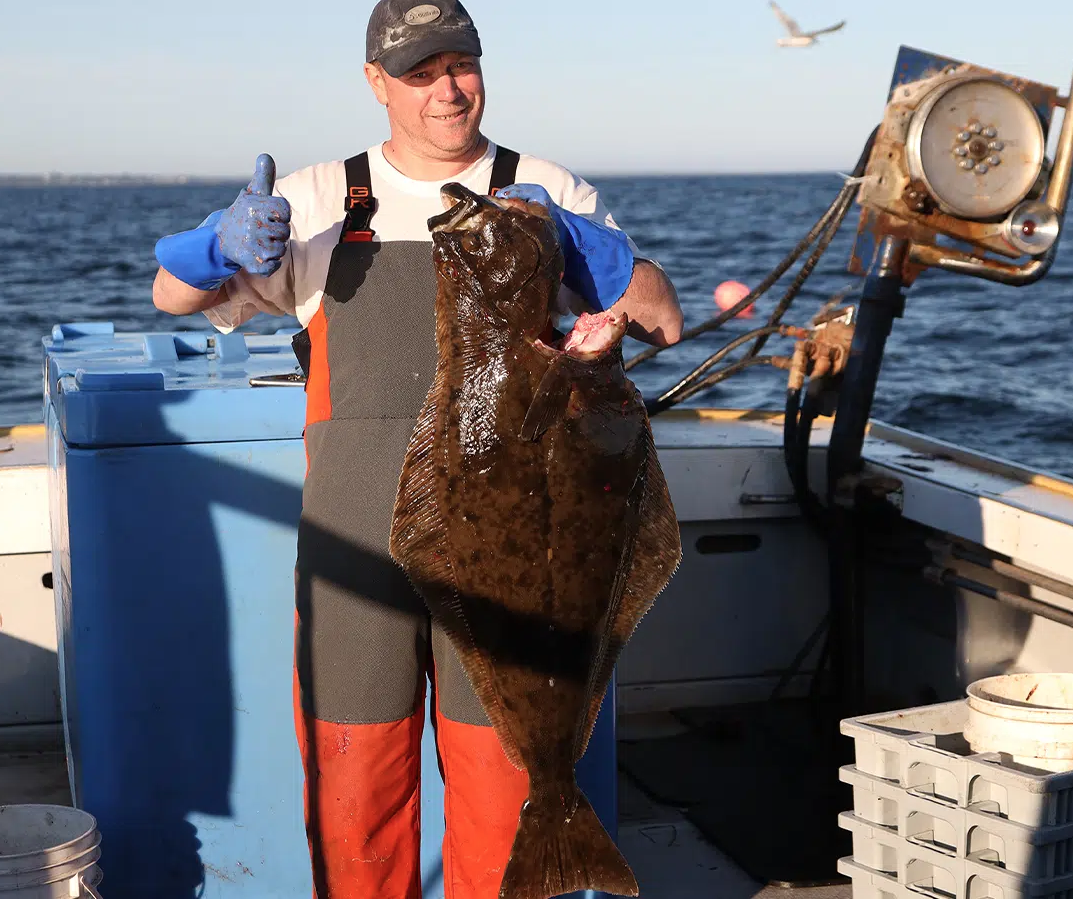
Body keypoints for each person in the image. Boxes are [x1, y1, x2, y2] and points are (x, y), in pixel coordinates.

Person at [149, 2, 683, 896]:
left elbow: (661, 317)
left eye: (460, 64)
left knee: (503, 785)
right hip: (354, 551)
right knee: (354, 787)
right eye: (419, 71)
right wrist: (215, 245)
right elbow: (171, 295)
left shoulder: (543, 186)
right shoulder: (323, 200)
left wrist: (589, 250)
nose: (447, 88)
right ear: (376, 83)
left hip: (510, 565)